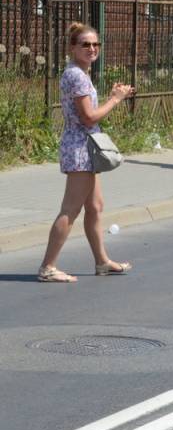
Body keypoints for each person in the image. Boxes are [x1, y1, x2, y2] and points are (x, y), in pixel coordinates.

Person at [37, 22, 136, 282]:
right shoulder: (76, 76)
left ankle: (102, 261)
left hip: (85, 146)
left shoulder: (80, 72)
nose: (92, 49)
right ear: (72, 48)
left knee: (95, 206)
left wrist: (113, 96)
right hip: (80, 147)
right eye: (85, 44)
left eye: (95, 44)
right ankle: (47, 267)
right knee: (70, 209)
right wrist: (115, 99)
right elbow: (89, 117)